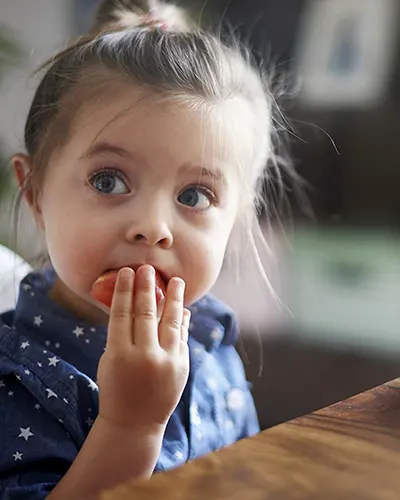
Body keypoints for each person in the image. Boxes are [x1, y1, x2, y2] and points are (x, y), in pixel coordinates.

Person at [0, 0, 279, 498]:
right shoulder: (17, 376)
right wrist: (131, 429)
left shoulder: (213, 343)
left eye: (194, 196)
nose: (153, 228)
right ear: (36, 193)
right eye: (109, 181)